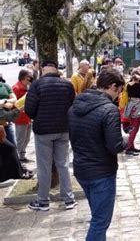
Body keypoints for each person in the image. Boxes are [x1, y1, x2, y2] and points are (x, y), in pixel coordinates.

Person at [68, 68, 127, 240]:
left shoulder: (75, 106)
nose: (119, 96)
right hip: (101, 172)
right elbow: (115, 145)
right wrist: (126, 140)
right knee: (100, 221)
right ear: (113, 86)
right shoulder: (109, 110)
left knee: (97, 216)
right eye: (119, 91)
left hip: (81, 169)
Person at [25, 60, 77, 211]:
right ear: (56, 70)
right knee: (63, 164)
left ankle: (43, 201)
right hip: (63, 128)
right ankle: (68, 199)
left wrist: (39, 117)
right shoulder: (67, 85)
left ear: (42, 70)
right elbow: (72, 106)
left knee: (44, 167)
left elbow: (29, 109)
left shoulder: (37, 85)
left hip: (44, 131)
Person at [12, 69, 33, 162]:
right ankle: (17, 159)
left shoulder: (28, 87)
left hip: (28, 117)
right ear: (24, 77)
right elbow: (13, 105)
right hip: (20, 118)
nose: (31, 78)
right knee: (20, 139)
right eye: (30, 76)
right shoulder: (16, 88)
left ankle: (22, 156)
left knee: (27, 138)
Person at [0, 73, 18, 146]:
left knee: (13, 146)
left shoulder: (5, 86)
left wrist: (4, 101)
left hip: (7, 123)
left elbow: (14, 99)